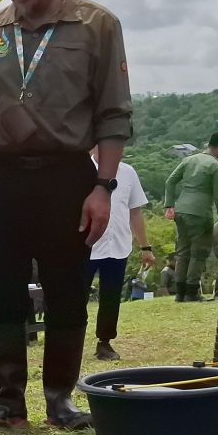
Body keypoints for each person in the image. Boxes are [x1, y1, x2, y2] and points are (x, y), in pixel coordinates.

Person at [0, 0, 131, 431]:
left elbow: (113, 115)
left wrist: (103, 187)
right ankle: (8, 398)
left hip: (67, 178)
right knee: (2, 290)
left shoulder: (97, 26)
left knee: (66, 288)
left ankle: (60, 398)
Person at [86, 153, 154, 361]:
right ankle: (70, 340)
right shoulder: (82, 169)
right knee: (74, 296)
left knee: (111, 296)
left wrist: (145, 246)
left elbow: (135, 212)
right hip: (85, 245)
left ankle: (104, 342)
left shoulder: (128, 172)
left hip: (118, 244)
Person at [165, 132, 218, 303]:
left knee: (183, 252)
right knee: (198, 253)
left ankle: (180, 293)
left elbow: (170, 182)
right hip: (200, 212)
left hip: (181, 210)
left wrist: (169, 205)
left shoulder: (189, 160)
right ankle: (192, 292)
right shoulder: (217, 166)